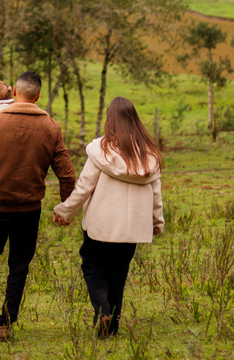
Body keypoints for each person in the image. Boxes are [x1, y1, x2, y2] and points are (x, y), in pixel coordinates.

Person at [0, 71, 75, 341]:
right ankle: (6, 323)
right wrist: (66, 208)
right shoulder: (51, 127)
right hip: (28, 210)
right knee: (19, 265)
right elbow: (66, 174)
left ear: (15, 91)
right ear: (38, 97)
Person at [52, 96, 164, 338]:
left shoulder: (101, 150)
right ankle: (112, 328)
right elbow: (156, 194)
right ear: (135, 120)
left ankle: (102, 310)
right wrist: (157, 222)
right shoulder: (148, 155)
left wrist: (64, 210)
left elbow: (84, 186)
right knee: (118, 273)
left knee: (92, 265)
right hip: (133, 226)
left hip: (100, 225)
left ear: (110, 120)